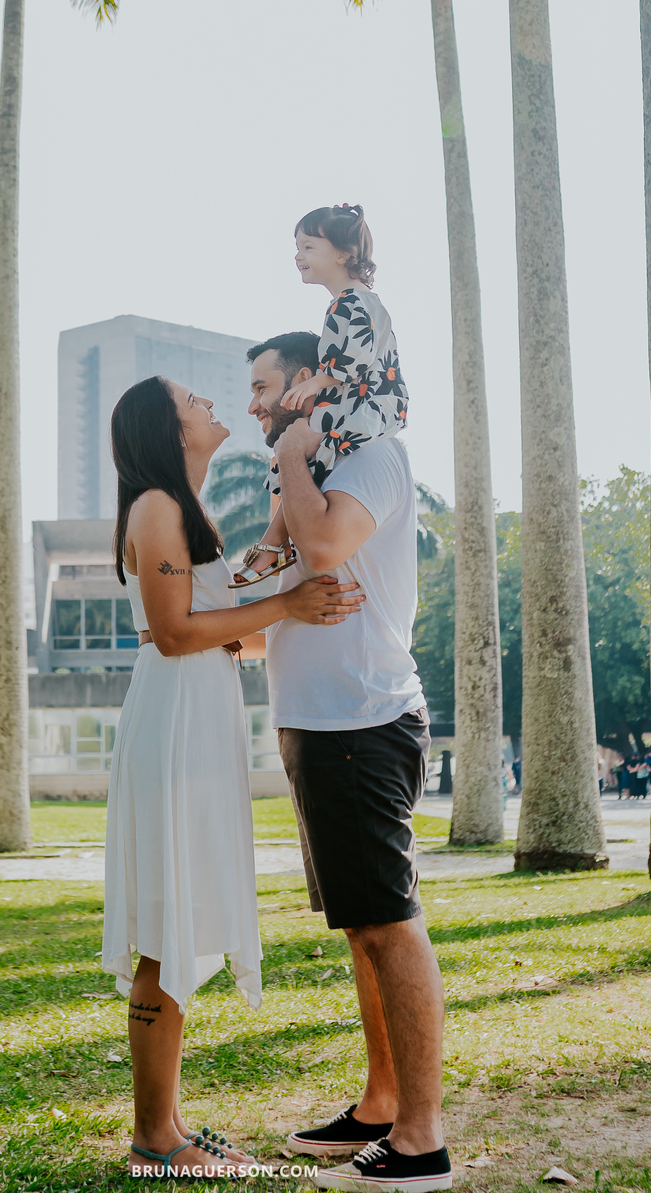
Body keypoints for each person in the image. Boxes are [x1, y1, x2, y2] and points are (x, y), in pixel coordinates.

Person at [101, 375, 364, 1179]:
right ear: (165, 426)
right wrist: (286, 607)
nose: (210, 405)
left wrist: (290, 568)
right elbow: (180, 634)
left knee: (179, 917)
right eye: (191, 399)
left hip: (198, 721)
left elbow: (228, 614)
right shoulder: (156, 506)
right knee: (165, 924)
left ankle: (169, 1120)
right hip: (174, 726)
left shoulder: (186, 511)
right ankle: (154, 1136)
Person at [242, 330, 452, 1193]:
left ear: (305, 387)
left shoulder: (370, 459)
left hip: (363, 722)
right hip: (312, 725)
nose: (253, 403)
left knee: (388, 924)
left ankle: (422, 1140)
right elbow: (265, 581)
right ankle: (379, 1107)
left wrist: (295, 451)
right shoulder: (304, 472)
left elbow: (323, 550)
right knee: (361, 928)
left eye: (264, 388)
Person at [235, 206, 407, 588]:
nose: (299, 256)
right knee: (302, 456)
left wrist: (317, 383)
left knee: (297, 453)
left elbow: (357, 354)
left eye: (309, 247)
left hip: (361, 403)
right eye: (298, 248)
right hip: (368, 401)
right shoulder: (357, 300)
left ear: (343, 254)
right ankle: (271, 545)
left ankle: (270, 546)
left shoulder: (348, 302)